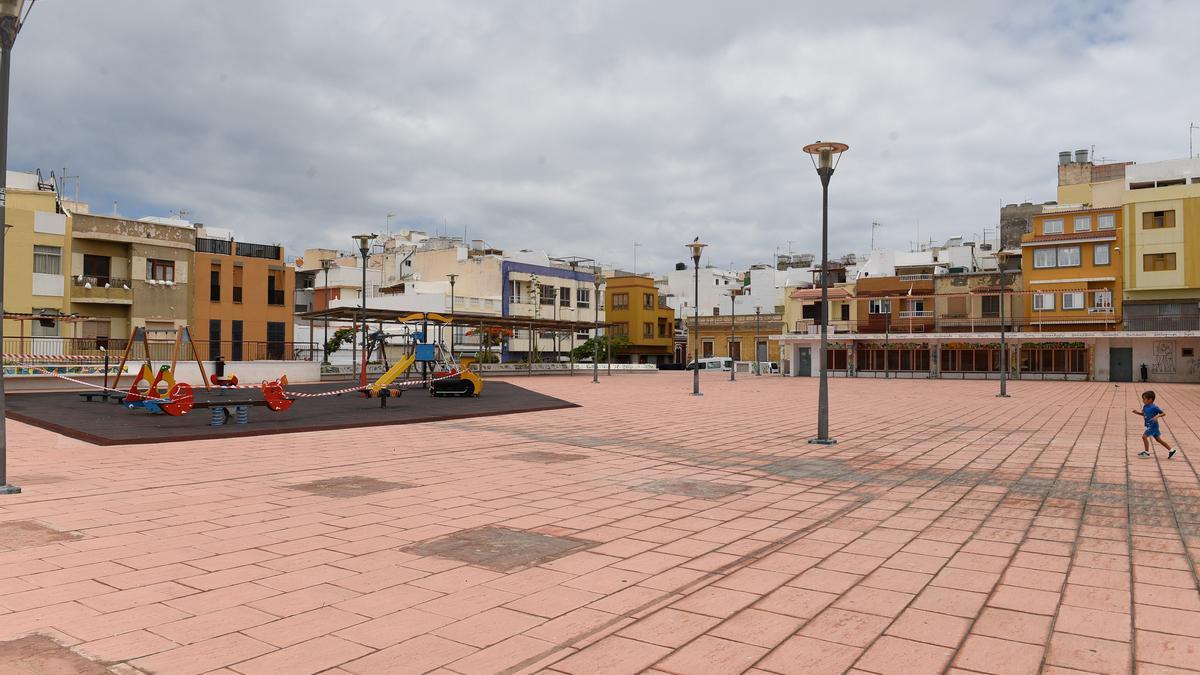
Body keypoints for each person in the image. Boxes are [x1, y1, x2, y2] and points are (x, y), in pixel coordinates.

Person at [1132, 390, 1176, 459]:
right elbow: (1144, 414)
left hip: (1153, 426)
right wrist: (1137, 412)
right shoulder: (1145, 406)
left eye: (1144, 399)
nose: (1143, 400)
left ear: (1150, 399)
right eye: (1142, 399)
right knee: (1158, 440)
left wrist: (1157, 416)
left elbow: (1163, 413)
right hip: (1150, 425)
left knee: (1144, 436)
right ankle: (1171, 450)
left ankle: (1146, 452)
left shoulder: (1154, 407)